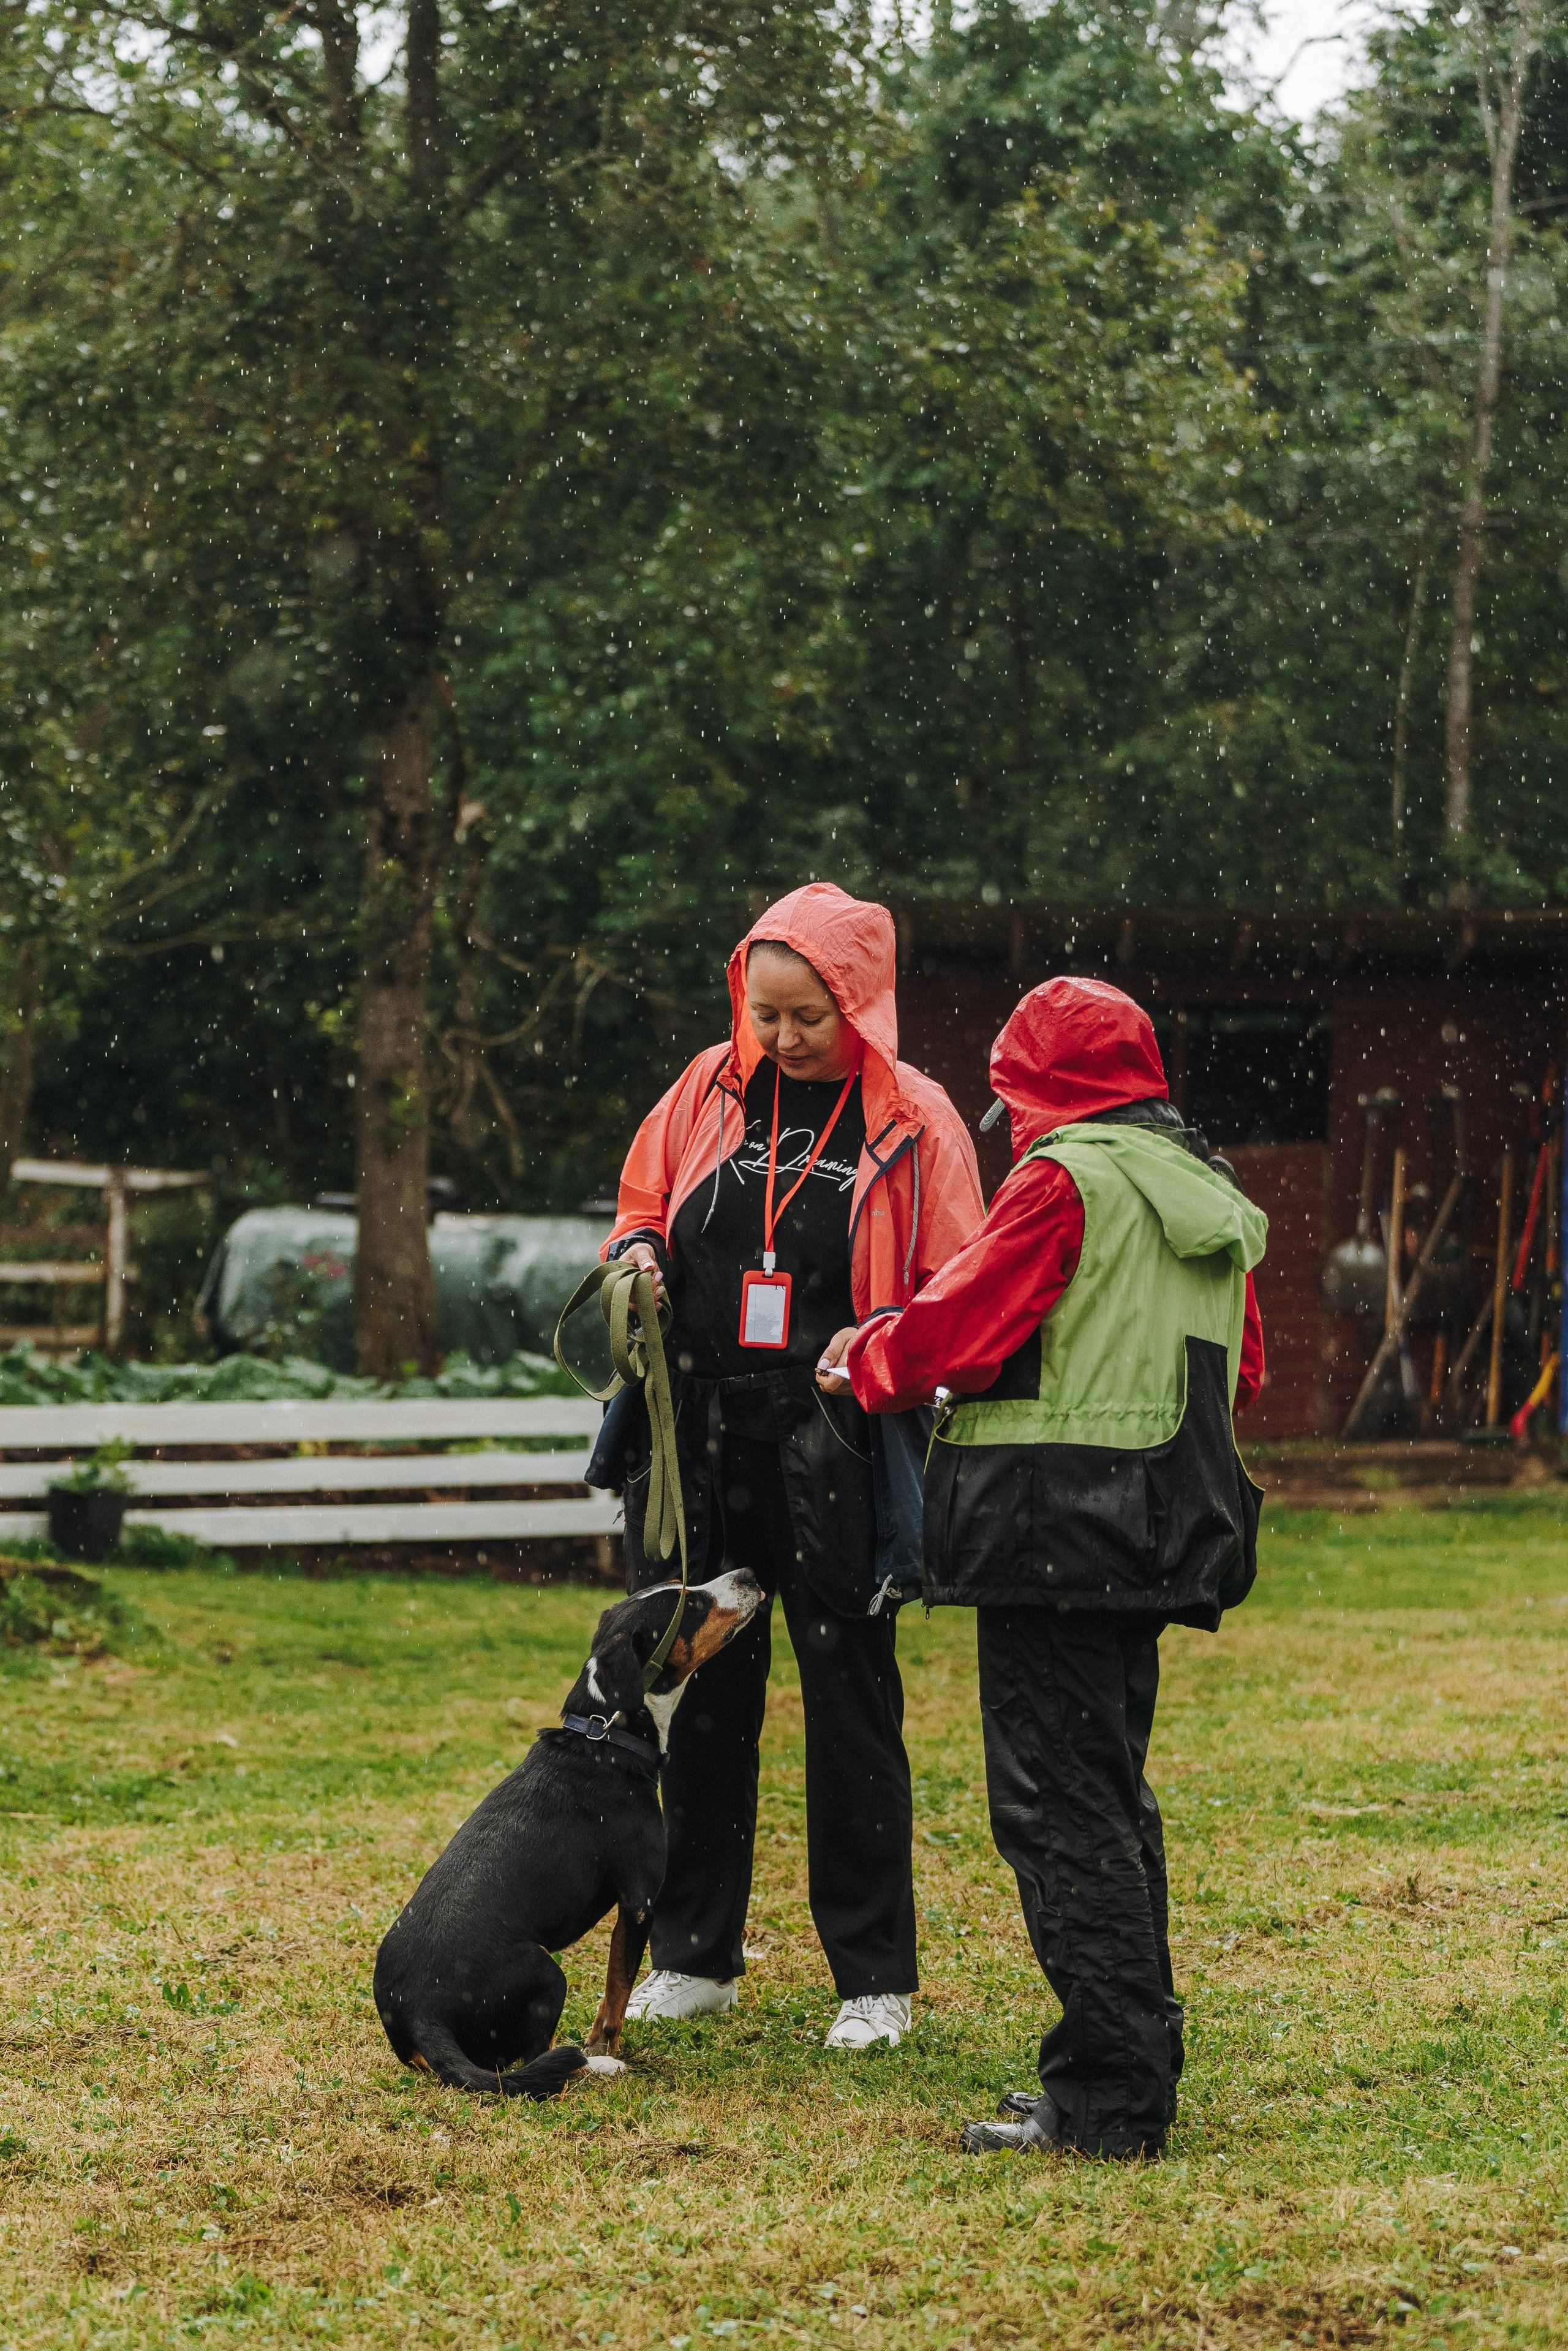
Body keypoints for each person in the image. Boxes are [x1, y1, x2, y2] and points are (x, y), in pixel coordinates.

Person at [818, 975, 1267, 2151]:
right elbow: (1246, 1368)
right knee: (1108, 1796)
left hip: (1050, 1532)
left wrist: (866, 1361)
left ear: (1038, 1091)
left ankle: (1110, 2097)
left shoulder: (1067, 1180)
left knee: (1059, 1812)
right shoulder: (1201, 1191)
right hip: (1160, 1527)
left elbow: (962, 1322)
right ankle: (1129, 2061)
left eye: (1012, 1093)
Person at [590, 883, 984, 2050]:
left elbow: (959, 1282)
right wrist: (642, 1259)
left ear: (860, 1001)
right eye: (765, 1011)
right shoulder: (706, 1087)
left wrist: (883, 1354)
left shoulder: (914, 1118)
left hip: (838, 1447)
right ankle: (693, 1955)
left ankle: (873, 1979)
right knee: (699, 1694)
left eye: (807, 1013)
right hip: (703, 1439)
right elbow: (637, 1209)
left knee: (850, 1705)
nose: (781, 1035)